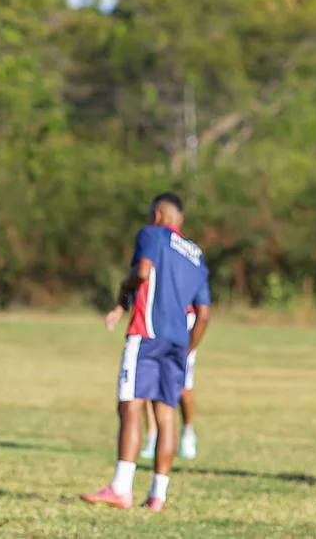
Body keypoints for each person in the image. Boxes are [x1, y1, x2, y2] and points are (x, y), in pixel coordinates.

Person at [82, 192, 211, 512]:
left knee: (130, 406)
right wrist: (186, 350)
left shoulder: (151, 234)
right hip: (178, 342)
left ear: (157, 215)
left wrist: (123, 289)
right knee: (166, 414)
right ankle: (158, 495)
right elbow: (204, 314)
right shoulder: (196, 253)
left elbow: (142, 272)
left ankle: (121, 488)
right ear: (179, 220)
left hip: (146, 335)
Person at [139, 307, 199, 460]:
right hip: (156, 316)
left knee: (183, 387)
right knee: (148, 381)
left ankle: (187, 432)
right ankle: (152, 436)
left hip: (185, 319)